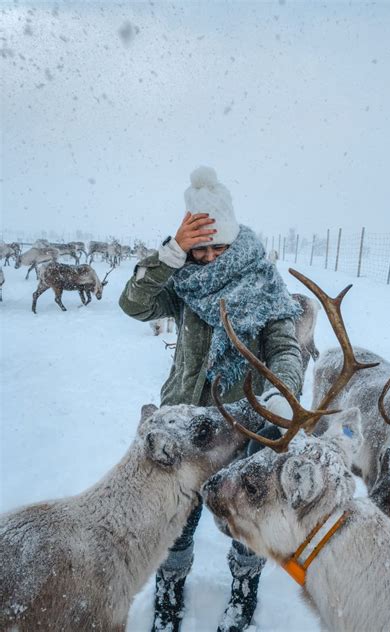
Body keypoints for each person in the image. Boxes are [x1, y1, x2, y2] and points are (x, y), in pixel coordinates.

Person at [119, 166, 303, 632]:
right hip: (185, 423)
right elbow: (133, 304)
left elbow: (284, 346)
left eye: (216, 246)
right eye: (198, 248)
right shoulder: (181, 281)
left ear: (233, 239)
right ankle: (169, 590)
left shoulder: (263, 282)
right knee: (177, 516)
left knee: (247, 513)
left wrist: (282, 392)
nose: (207, 257)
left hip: (246, 424)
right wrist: (171, 254)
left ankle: (244, 591)